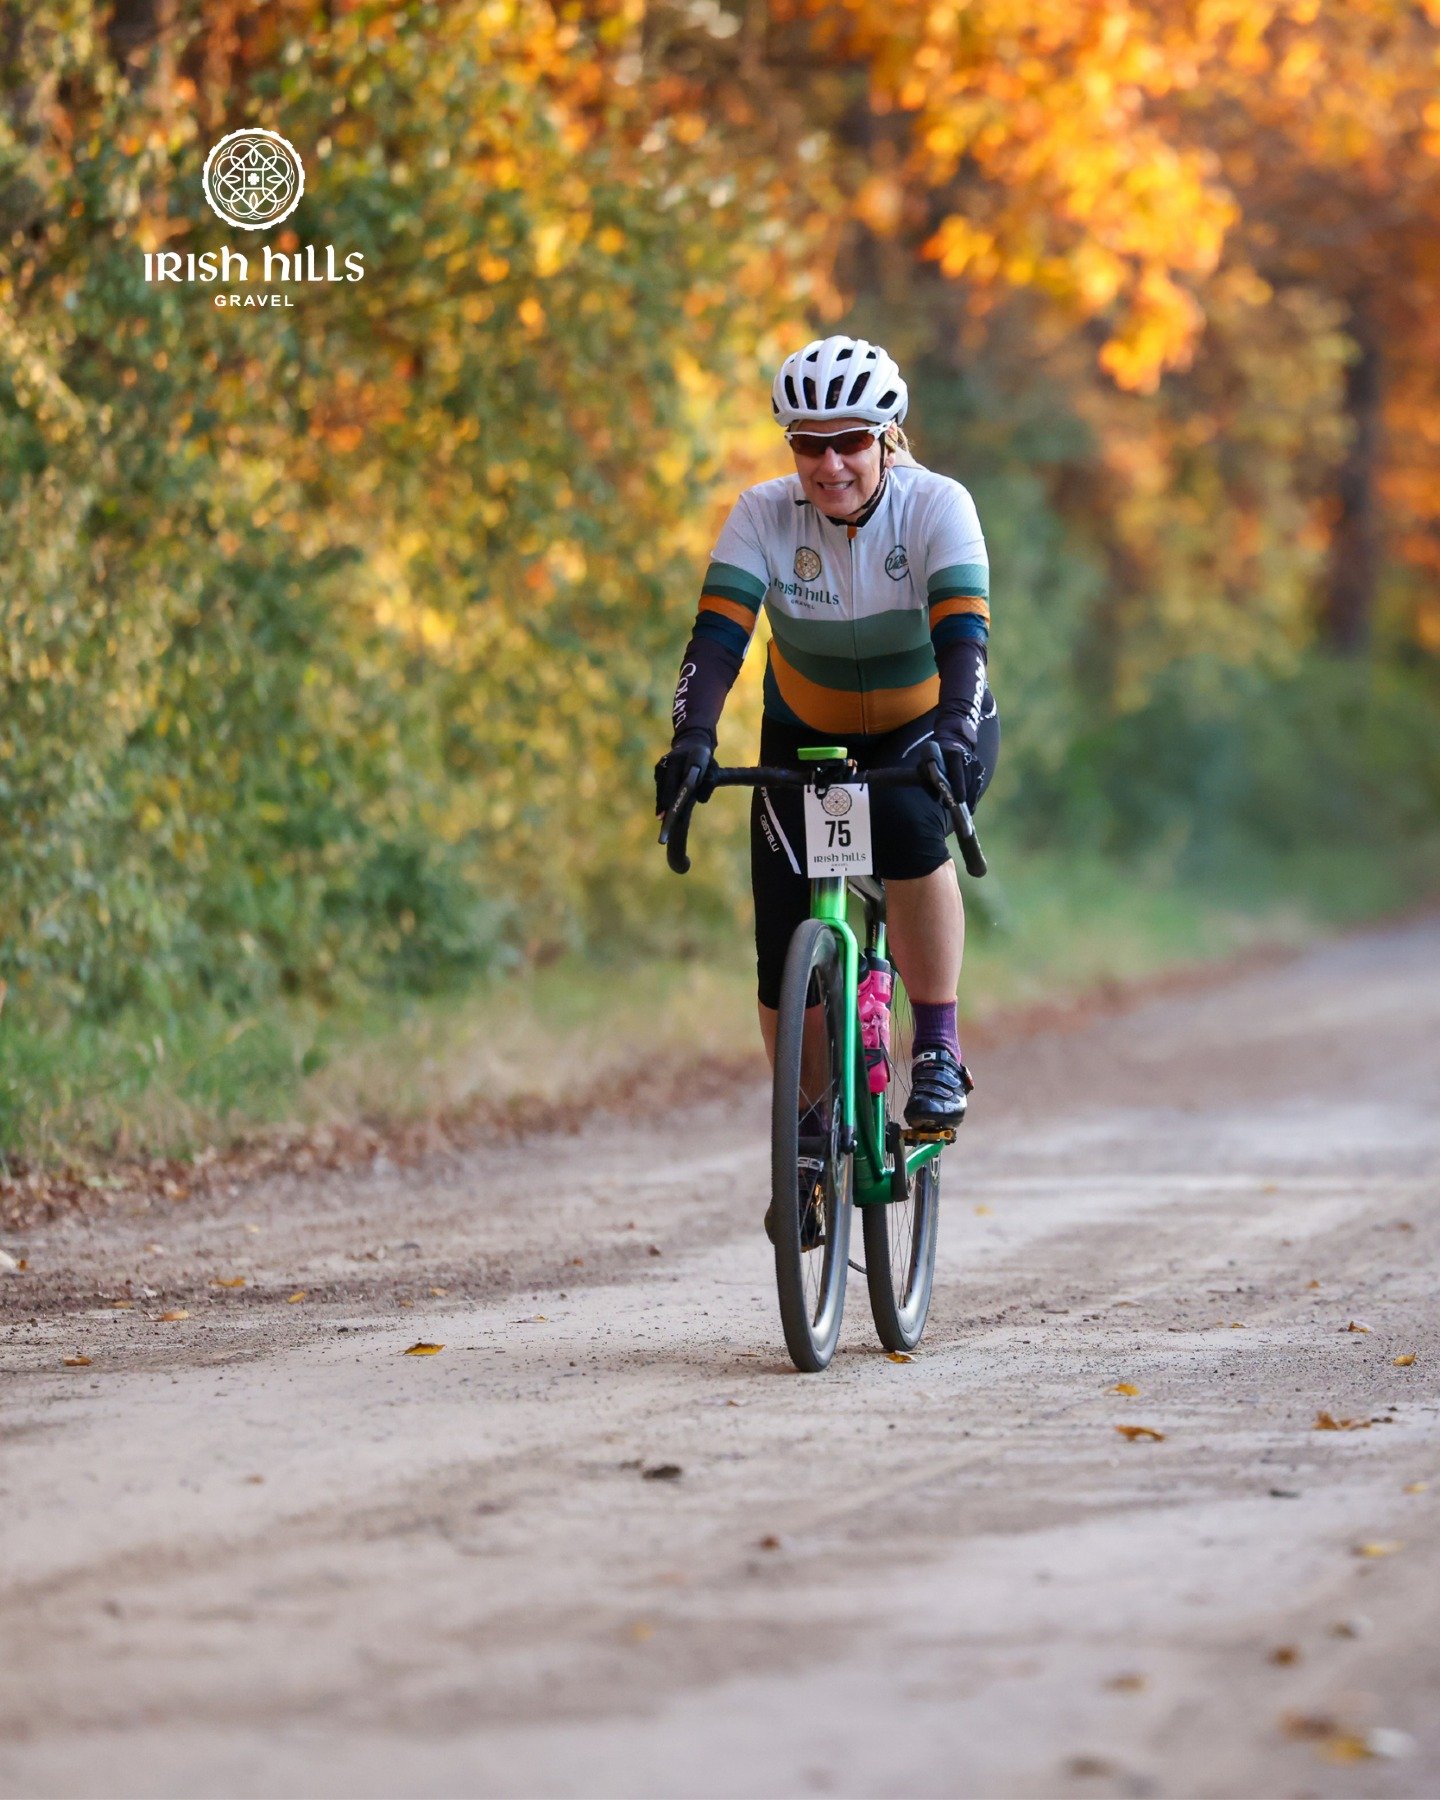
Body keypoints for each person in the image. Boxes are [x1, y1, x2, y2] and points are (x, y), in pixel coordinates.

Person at [655, 334, 999, 1135]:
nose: (830, 463)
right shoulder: (763, 515)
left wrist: (951, 730)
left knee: (916, 817)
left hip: (932, 719)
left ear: (885, 439)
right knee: (782, 944)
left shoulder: (937, 506)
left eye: (849, 440)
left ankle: (938, 1046)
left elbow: (964, 640)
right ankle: (811, 1128)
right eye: (810, 444)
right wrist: (692, 738)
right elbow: (715, 641)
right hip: (807, 732)